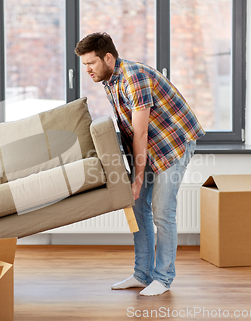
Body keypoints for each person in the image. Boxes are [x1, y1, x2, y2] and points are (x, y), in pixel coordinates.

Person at [75, 32, 205, 296]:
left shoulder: (133, 78)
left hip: (173, 144)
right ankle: (142, 275)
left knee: (162, 211)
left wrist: (137, 178)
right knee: (137, 207)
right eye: (84, 64)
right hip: (150, 145)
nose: (87, 69)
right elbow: (128, 131)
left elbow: (141, 132)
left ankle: (163, 278)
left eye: (91, 63)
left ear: (108, 57)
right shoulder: (109, 80)